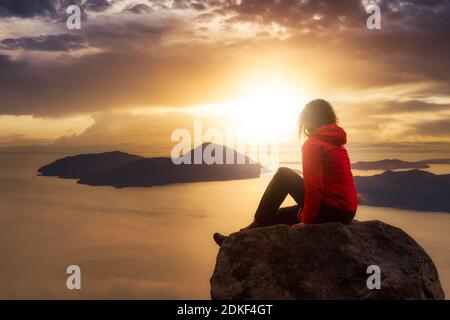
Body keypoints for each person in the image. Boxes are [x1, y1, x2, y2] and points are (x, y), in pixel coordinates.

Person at [214, 99, 358, 245]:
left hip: (330, 210)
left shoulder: (313, 145)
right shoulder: (336, 143)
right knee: (278, 216)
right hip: (347, 212)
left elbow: (315, 188)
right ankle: (235, 240)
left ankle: (248, 230)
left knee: (283, 175)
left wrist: (308, 221)